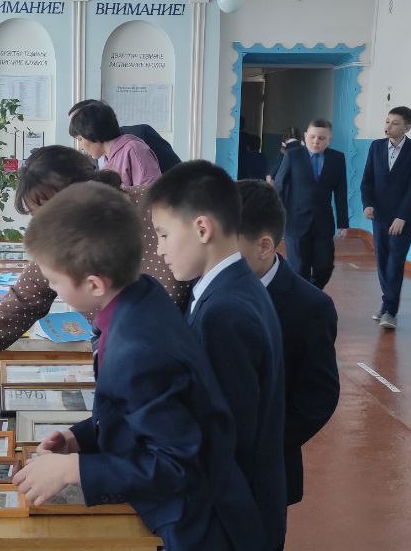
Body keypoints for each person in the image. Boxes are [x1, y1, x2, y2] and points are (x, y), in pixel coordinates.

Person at [12, 182, 262, 550]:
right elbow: (136, 409)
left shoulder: (138, 352)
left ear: (94, 284)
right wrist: (80, 437)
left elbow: (176, 464)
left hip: (198, 526)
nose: (51, 288)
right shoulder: (142, 293)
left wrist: (75, 469)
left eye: (53, 281)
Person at [0, 145, 190, 397]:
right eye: (40, 216)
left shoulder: (162, 209)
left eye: (55, 210)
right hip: (124, 381)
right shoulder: (62, 241)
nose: (51, 224)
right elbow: (15, 307)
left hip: (181, 381)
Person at [148, 161, 287, 550]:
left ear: (202, 228)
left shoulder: (225, 312)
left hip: (227, 519)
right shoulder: (232, 288)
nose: (159, 249)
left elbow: (222, 437)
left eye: (163, 234)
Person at [237, 180, 340, 506]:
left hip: (264, 471)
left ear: (264, 247)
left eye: (226, 247)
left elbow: (317, 399)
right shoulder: (201, 285)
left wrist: (255, 444)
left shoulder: (310, 307)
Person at [360, 106, 411, 330]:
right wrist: (367, 204)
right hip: (379, 215)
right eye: (387, 121)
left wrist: (402, 216)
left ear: (407, 127)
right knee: (382, 260)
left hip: (403, 218)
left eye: (395, 123)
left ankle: (390, 311)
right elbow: (367, 180)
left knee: (395, 262)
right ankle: (387, 302)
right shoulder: (376, 146)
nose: (388, 126)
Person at [271, 119, 350, 289]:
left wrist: (343, 222)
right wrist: (278, 218)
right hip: (295, 222)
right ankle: (304, 299)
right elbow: (279, 186)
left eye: (321, 138)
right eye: (312, 137)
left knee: (325, 266)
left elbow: (341, 191)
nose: (316, 141)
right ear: (305, 136)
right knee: (299, 268)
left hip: (323, 222)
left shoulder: (337, 158)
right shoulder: (293, 155)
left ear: (329, 139)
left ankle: (311, 291)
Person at [68, 99, 181, 173]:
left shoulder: (139, 136)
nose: (75, 127)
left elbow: (176, 170)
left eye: (79, 121)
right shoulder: (93, 156)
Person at [68, 101, 161, 187]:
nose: (80, 147)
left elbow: (152, 191)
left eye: (80, 139)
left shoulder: (134, 148)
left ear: (92, 132)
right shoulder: (105, 161)